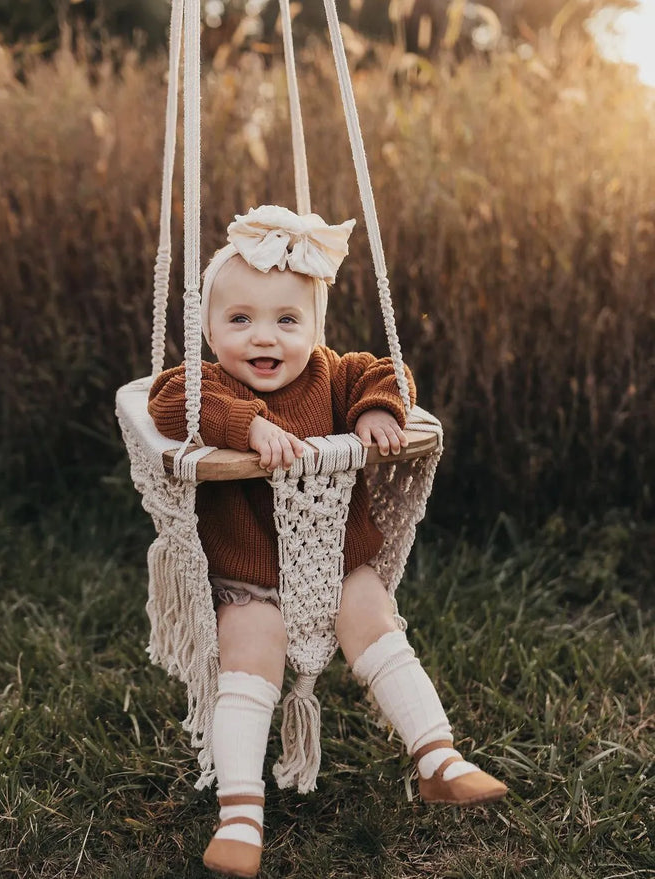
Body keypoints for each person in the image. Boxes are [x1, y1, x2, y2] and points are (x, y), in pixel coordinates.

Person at [147, 206, 507, 878]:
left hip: (335, 560)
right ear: (208, 329)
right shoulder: (209, 386)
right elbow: (170, 400)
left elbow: (388, 373)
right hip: (246, 576)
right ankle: (240, 811)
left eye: (287, 321)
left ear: (315, 329)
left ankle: (437, 755)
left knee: (374, 617)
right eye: (240, 320)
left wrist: (374, 409)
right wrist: (248, 428)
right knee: (251, 653)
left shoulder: (330, 374)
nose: (265, 338)